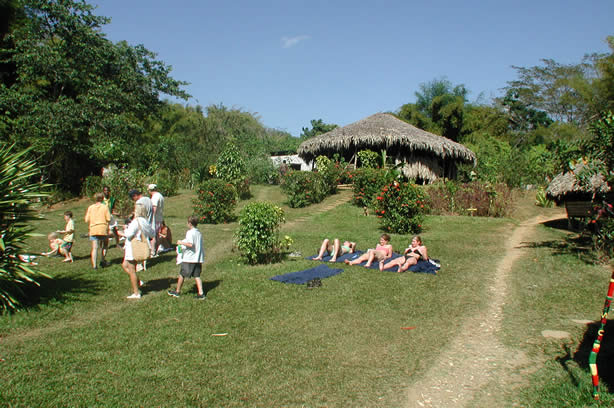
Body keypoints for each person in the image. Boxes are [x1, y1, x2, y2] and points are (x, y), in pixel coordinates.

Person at [118, 203, 154, 299]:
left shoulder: (135, 222)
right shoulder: (145, 221)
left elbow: (129, 234)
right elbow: (152, 233)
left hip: (133, 248)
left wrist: (124, 231)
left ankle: (136, 292)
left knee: (132, 269)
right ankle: (138, 282)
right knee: (124, 265)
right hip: (140, 245)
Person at [168, 215, 206, 300]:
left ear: (189, 223)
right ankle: (201, 293)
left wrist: (181, 243)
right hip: (198, 258)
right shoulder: (198, 233)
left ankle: (177, 291)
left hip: (190, 258)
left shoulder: (190, 232)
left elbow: (190, 244)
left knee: (182, 274)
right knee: (197, 275)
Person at [84, 192, 111, 269]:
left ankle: (94, 265)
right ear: (102, 198)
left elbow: (86, 219)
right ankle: (102, 260)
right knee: (104, 244)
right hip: (102, 228)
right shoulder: (105, 207)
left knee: (95, 247)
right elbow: (108, 218)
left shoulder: (90, 207)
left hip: (93, 228)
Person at [148, 184, 164, 256]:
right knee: (157, 235)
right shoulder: (160, 195)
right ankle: (157, 250)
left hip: (155, 219)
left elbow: (154, 208)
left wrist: (150, 218)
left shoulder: (155, 197)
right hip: (159, 218)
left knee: (153, 236)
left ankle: (153, 252)